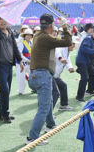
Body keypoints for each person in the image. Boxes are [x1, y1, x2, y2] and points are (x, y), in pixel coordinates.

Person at [27, 13, 72, 144]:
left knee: (50, 99)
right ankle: (33, 138)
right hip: (43, 75)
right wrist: (64, 27)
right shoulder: (46, 38)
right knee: (44, 107)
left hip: (37, 75)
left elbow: (54, 39)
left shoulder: (37, 36)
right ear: (52, 25)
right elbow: (68, 42)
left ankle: (51, 124)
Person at [0, 16, 23, 123]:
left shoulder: (10, 31)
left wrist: (19, 60)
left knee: (6, 91)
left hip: (9, 65)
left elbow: (15, 47)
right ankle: (5, 114)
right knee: (5, 90)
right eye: (0, 19)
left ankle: (0, 114)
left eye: (4, 19)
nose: (3, 21)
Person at [75, 27, 94, 102]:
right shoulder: (88, 39)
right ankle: (79, 96)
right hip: (82, 61)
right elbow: (84, 49)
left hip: (87, 62)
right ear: (93, 32)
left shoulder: (93, 41)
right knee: (85, 78)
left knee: (93, 74)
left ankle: (90, 90)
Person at [53, 37, 77, 111]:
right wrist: (60, 58)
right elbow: (57, 52)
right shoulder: (60, 48)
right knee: (55, 93)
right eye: (73, 44)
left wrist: (70, 68)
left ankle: (63, 105)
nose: (74, 46)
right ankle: (48, 114)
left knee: (63, 86)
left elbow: (68, 61)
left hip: (55, 76)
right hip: (50, 75)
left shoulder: (67, 52)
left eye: (74, 44)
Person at [16, 28, 33, 95]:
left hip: (29, 63)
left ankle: (34, 88)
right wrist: (26, 60)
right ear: (24, 36)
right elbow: (19, 54)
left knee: (33, 76)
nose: (28, 36)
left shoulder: (31, 43)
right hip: (21, 63)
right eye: (27, 35)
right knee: (21, 78)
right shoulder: (21, 43)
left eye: (30, 35)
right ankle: (21, 91)